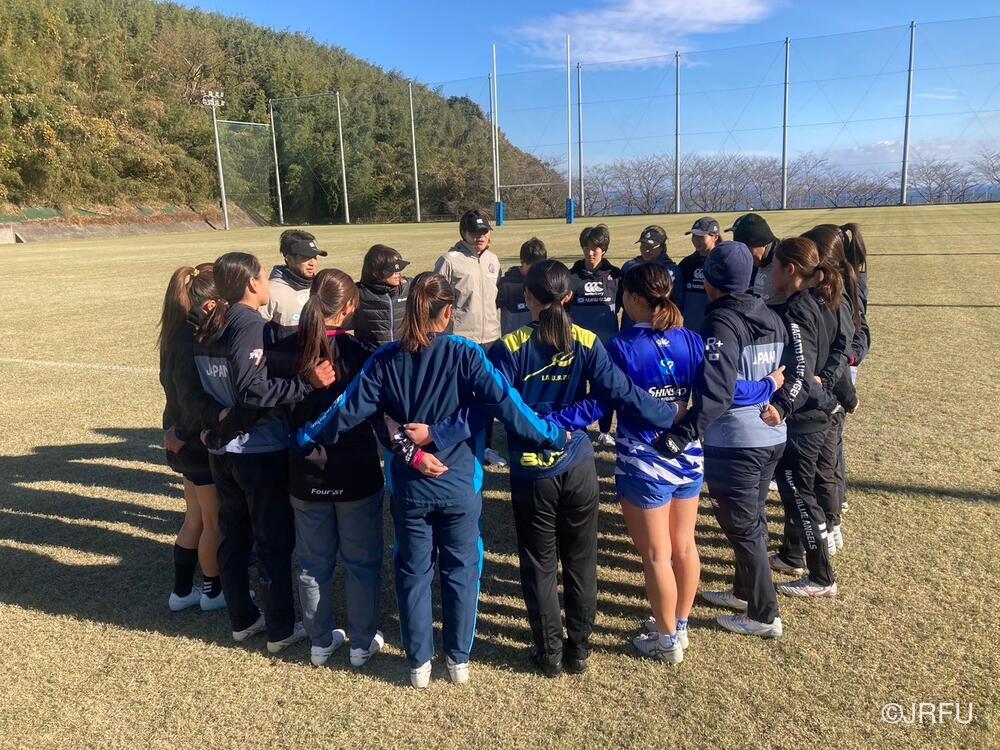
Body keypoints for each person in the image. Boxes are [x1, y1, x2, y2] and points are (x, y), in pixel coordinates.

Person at [295, 272, 567, 689]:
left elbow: (347, 408)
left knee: (413, 571)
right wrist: (551, 435)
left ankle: (419, 663)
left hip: (411, 487)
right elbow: (506, 403)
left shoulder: (386, 358)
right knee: (462, 568)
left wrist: (308, 435)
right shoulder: (465, 353)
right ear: (447, 312)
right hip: (459, 485)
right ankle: (458, 659)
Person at [418, 260, 685, 677]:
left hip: (533, 472)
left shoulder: (510, 346)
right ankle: (579, 650)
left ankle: (550, 654)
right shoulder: (587, 340)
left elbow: (485, 406)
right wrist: (672, 415)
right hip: (578, 467)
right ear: (569, 296)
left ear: (528, 298)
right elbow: (621, 393)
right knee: (581, 560)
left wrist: (435, 434)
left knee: (539, 564)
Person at [547, 264, 783, 662]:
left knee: (656, 555)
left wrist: (550, 421)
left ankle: (667, 639)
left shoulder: (620, 346)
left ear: (634, 298)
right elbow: (724, 391)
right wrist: (768, 386)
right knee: (684, 546)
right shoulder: (691, 339)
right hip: (688, 454)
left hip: (644, 460)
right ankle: (679, 626)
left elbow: (600, 404)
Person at [194, 252, 334, 652]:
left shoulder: (210, 322)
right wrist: (307, 384)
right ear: (252, 283)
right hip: (256, 449)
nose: (268, 281)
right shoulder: (247, 322)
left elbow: (202, 387)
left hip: (223, 450)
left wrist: (213, 424)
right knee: (272, 541)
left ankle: (242, 619)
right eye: (262, 274)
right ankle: (280, 629)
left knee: (234, 535)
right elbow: (252, 391)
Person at [656, 242, 791, 639]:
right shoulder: (770, 313)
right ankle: (742, 592)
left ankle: (764, 615)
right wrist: (768, 388)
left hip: (736, 441)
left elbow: (720, 392)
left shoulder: (721, 322)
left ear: (710, 281)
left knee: (743, 528)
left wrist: (684, 433)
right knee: (753, 521)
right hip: (770, 434)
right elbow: (782, 373)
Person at [278, 269, 389, 669]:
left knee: (313, 564)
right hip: (356, 475)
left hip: (305, 476)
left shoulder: (286, 349)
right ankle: (361, 643)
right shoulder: (362, 353)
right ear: (350, 307)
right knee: (362, 564)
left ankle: (320, 641)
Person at [763, 237, 841, 600]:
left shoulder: (797, 310)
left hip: (804, 420)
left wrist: (782, 406)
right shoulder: (825, 301)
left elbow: (801, 371)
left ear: (791, 270)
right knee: (800, 494)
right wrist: (841, 396)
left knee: (799, 497)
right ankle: (793, 557)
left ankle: (821, 577)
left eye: (774, 267)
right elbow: (838, 350)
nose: (771, 274)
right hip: (820, 412)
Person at [158, 264, 227, 612]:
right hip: (196, 444)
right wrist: (189, 431)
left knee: (195, 518)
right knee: (212, 521)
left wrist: (175, 431)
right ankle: (213, 591)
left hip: (184, 443)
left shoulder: (175, 334)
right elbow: (190, 399)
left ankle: (182, 591)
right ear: (210, 302)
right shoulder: (192, 341)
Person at [435, 209, 505, 466]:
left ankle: (485, 447)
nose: (480, 236)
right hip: (461, 340)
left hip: (491, 339)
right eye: (475, 232)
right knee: (459, 397)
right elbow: (436, 301)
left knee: (488, 395)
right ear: (463, 232)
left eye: (484, 231)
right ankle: (455, 446)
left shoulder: (493, 260)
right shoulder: (449, 261)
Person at [569, 224, 622, 448]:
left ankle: (604, 430)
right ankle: (578, 428)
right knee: (577, 389)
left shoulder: (616, 276)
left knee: (604, 387)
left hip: (606, 346)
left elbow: (624, 305)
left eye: (595, 248)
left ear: (604, 250)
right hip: (578, 346)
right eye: (586, 248)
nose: (590, 253)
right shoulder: (572, 276)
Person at [260, 229, 328, 342]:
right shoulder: (271, 291)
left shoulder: (320, 286)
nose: (312, 263)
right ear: (289, 259)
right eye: (305, 257)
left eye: (314, 257)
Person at [619, 225, 683, 331]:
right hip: (630, 327)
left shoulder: (672, 271)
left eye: (651, 246)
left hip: (660, 327)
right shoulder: (629, 267)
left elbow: (678, 302)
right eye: (643, 245)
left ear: (662, 247)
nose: (646, 250)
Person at [351, 244, 411, 348]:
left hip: (400, 353)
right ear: (376, 272)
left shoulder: (407, 287)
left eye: (399, 268)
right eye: (392, 270)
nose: (398, 273)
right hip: (370, 355)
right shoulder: (358, 292)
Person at [727, 213, 783, 307]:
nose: (745, 256)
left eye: (747, 249)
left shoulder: (783, 261)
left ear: (763, 243)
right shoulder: (751, 260)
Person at [678, 216, 721, 333]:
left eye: (701, 236)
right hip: (689, 329)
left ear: (715, 237)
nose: (696, 240)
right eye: (694, 236)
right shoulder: (687, 263)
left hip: (714, 327)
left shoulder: (721, 263)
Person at [497, 237, 546, 336]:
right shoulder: (506, 285)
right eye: (532, 266)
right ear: (522, 262)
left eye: (540, 266)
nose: (536, 270)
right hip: (514, 342)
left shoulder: (547, 282)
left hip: (539, 341)